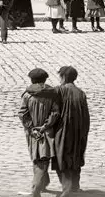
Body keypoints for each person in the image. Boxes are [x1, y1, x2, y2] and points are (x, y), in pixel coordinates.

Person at [18, 68, 60, 197]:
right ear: (45, 79)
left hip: (33, 133)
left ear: (31, 80)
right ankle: (42, 185)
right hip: (47, 132)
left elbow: (23, 114)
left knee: (38, 160)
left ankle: (35, 191)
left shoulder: (27, 95)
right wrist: (44, 127)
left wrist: (32, 129)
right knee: (43, 157)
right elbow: (55, 113)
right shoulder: (52, 94)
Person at [53, 66, 90, 197]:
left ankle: (66, 187)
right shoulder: (81, 93)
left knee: (61, 157)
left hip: (62, 131)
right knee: (76, 157)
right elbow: (86, 116)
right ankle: (75, 186)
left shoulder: (58, 91)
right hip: (79, 131)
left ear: (63, 77)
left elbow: (54, 113)